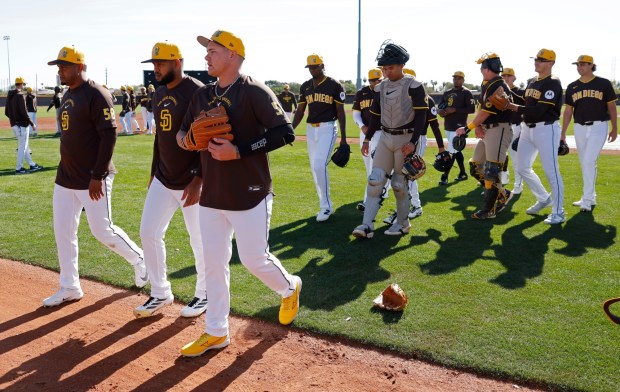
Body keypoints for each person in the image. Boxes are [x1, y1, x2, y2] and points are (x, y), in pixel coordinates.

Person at [176, 30, 301, 357]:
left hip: (251, 191)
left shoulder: (254, 91)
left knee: (253, 259)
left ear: (232, 55)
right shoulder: (201, 96)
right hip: (213, 194)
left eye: (213, 51)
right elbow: (182, 132)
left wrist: (240, 150)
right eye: (207, 51)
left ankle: (290, 287)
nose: (206, 56)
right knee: (214, 264)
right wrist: (187, 140)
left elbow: (284, 133)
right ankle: (216, 332)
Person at [42, 45, 147, 307]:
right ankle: (69, 286)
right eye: (58, 66)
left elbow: (109, 135)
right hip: (66, 177)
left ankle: (140, 259)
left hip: (93, 177)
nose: (59, 71)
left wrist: (98, 175)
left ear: (79, 67)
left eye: (64, 66)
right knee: (63, 233)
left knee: (102, 230)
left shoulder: (96, 93)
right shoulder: (68, 94)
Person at [133, 41, 207, 319]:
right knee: (148, 232)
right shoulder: (159, 93)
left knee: (200, 240)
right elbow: (160, 138)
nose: (156, 69)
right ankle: (160, 291)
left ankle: (205, 294)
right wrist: (153, 171)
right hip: (164, 178)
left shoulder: (198, 91)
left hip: (191, 179)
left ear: (178, 62)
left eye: (161, 63)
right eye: (153, 64)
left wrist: (200, 177)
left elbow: (208, 137)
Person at [352, 41, 428, 238]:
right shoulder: (380, 88)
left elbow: (422, 117)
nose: (386, 72)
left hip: (405, 139)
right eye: (384, 68)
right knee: (375, 179)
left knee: (398, 183)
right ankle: (366, 225)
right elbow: (375, 116)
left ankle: (403, 224)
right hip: (385, 137)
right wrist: (367, 140)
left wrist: (413, 142)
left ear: (402, 65)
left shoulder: (415, 86)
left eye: (390, 68)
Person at [505, 49, 565, 224]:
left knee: (551, 170)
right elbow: (525, 101)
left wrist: (513, 107)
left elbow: (540, 110)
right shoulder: (532, 82)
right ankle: (544, 198)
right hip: (527, 129)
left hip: (546, 129)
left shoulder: (553, 82)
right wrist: (508, 94)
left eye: (541, 60)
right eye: (536, 59)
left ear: (551, 63)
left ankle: (559, 211)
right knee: (522, 167)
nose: (537, 62)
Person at [384, 67, 446, 225]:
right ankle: (414, 206)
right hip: (401, 139)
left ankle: (408, 209)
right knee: (404, 173)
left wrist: (441, 148)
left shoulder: (426, 99)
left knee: (408, 172)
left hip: (417, 139)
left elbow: (435, 126)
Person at [455, 53, 514, 220]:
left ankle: (489, 210)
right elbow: (483, 109)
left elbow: (487, 111)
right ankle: (502, 194)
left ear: (487, 69)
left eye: (482, 66)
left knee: (491, 170)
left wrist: (468, 128)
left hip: (499, 129)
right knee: (475, 166)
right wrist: (479, 125)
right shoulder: (488, 84)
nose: (480, 69)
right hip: (489, 129)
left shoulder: (498, 85)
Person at [292, 53, 348, 222]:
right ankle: (323, 203)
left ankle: (326, 207)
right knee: (315, 169)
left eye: (315, 66)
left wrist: (344, 138)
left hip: (327, 128)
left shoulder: (334, 85)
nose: (312, 69)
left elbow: (340, 112)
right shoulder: (305, 86)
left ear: (323, 66)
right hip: (311, 130)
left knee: (319, 166)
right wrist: (290, 130)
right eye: (310, 67)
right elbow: (300, 111)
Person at [562, 55, 618, 212]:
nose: (579, 67)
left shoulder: (603, 83)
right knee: (585, 162)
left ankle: (586, 200)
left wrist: (615, 127)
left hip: (598, 127)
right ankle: (591, 196)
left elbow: (612, 107)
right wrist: (563, 133)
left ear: (591, 65)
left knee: (588, 161)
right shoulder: (572, 86)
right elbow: (567, 111)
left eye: (582, 64)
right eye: (577, 65)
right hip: (579, 127)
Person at [352, 68, 384, 212]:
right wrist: (361, 126)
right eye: (372, 80)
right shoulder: (362, 92)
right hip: (364, 133)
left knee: (373, 168)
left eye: (377, 80)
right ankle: (383, 190)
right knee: (368, 167)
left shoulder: (386, 91)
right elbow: (356, 113)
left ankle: (368, 200)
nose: (374, 83)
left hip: (380, 133)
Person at [437, 71, 476, 185]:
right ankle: (463, 172)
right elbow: (441, 106)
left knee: (451, 151)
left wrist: (455, 110)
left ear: (463, 80)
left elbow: (472, 109)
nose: (456, 80)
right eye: (455, 78)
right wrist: (441, 111)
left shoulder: (466, 93)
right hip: (448, 125)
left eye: (459, 78)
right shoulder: (447, 92)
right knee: (456, 150)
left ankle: (445, 176)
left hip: (460, 127)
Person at [4, 77, 42, 174]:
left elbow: (6, 112)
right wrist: (31, 123)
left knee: (24, 145)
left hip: (14, 125)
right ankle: (19, 168)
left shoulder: (9, 95)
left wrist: (13, 120)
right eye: (24, 84)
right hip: (21, 126)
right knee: (22, 147)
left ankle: (32, 164)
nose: (24, 86)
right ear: (21, 84)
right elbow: (24, 113)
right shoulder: (20, 96)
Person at [501, 68, 525, 194]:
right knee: (500, 156)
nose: (506, 77)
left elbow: (526, 106)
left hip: (516, 127)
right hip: (501, 127)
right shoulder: (498, 91)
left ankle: (518, 185)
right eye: (503, 75)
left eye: (508, 75)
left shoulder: (520, 91)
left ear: (514, 77)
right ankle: (502, 180)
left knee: (516, 158)